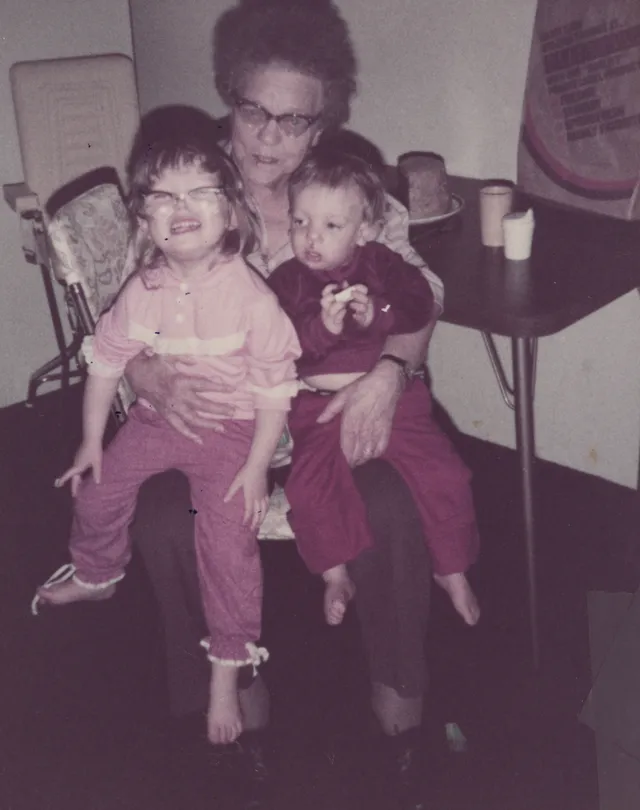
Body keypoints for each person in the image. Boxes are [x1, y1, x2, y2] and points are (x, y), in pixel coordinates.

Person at [125, 2, 450, 808]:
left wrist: (390, 375)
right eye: (253, 111)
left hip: (326, 415)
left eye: (293, 120)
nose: (268, 138)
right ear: (229, 97)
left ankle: (402, 720)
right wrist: (144, 374)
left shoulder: (350, 193)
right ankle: (238, 720)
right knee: (169, 518)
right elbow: (122, 311)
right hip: (215, 425)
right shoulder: (182, 185)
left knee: (394, 499)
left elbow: (424, 291)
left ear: (321, 125)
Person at [31, 134, 301, 746]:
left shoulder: (252, 298)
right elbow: (105, 363)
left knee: (225, 541)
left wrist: (258, 466)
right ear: (145, 218)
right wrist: (91, 442)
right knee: (95, 490)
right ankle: (98, 574)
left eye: (201, 193)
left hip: (234, 431)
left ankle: (226, 672)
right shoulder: (143, 288)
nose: (182, 205)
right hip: (157, 420)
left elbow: (273, 391)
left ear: (230, 211)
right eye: (164, 196)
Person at [268, 149, 480, 628]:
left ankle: (452, 567)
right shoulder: (287, 281)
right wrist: (319, 328)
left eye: (330, 226)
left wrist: (377, 313)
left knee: (444, 474)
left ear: (364, 230)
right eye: (300, 222)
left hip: (394, 400)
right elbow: (281, 347)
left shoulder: (383, 264)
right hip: (315, 408)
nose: (311, 238)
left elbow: (419, 304)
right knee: (309, 487)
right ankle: (335, 574)